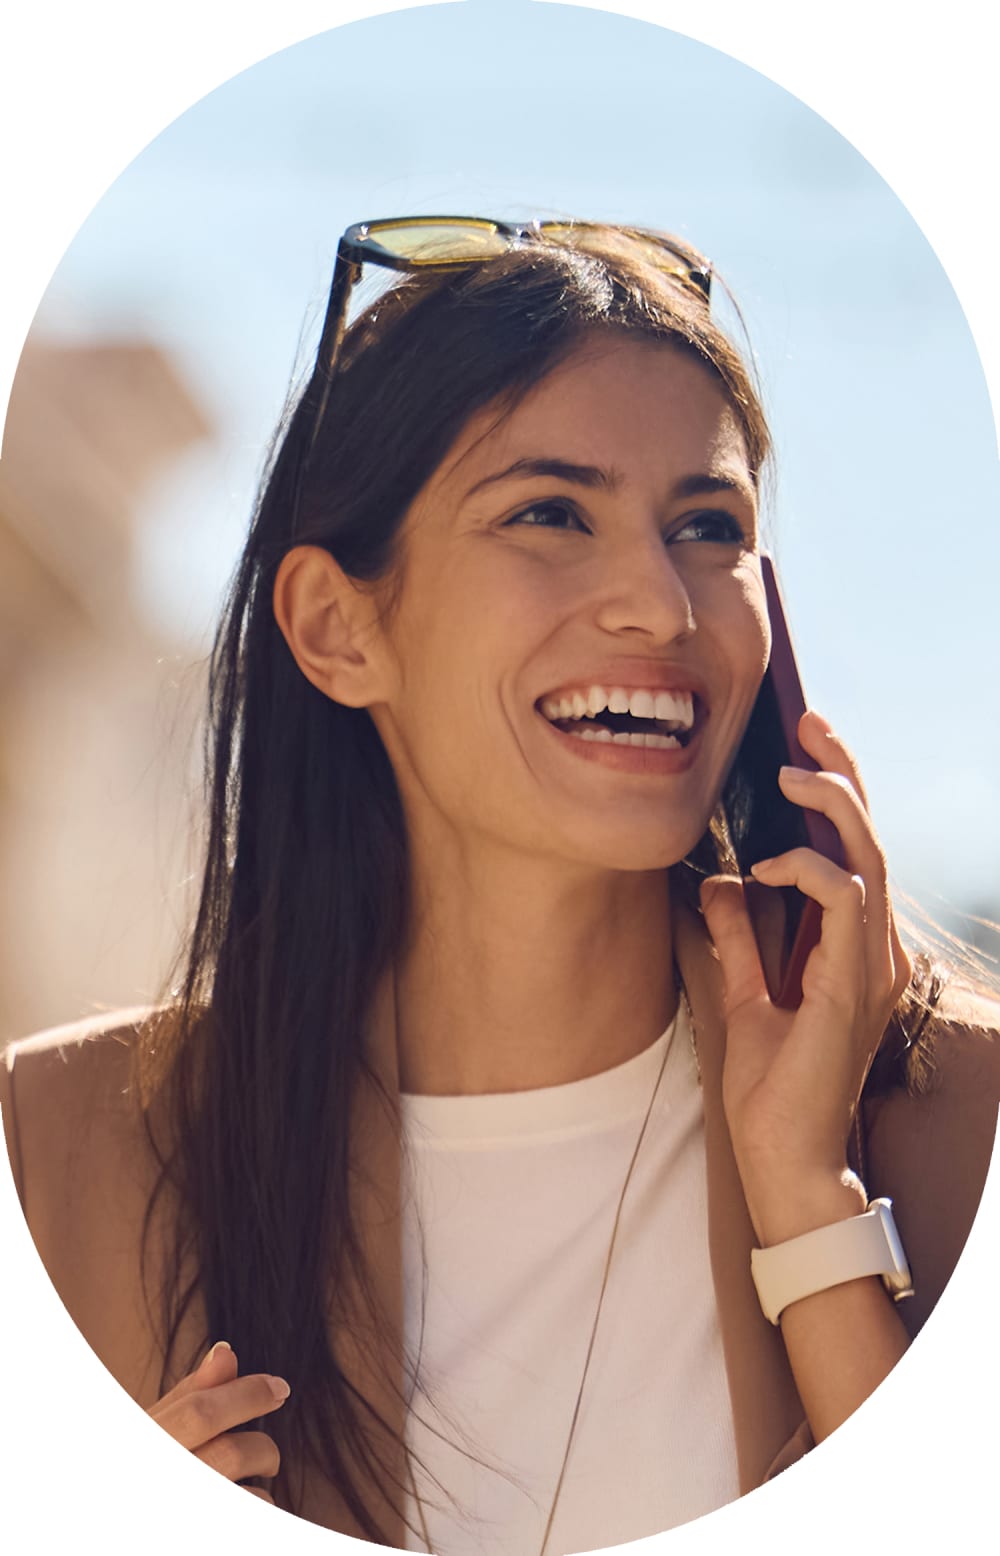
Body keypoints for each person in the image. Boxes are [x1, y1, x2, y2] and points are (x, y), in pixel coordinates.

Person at [2, 218, 998, 1554]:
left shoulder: (960, 1130)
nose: (658, 602)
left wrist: (813, 1209)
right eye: (550, 513)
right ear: (337, 628)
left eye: (709, 527)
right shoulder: (62, 1158)